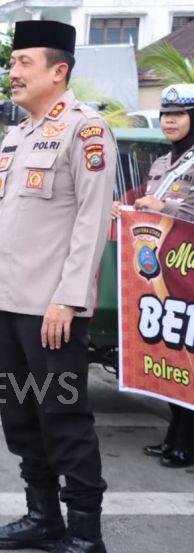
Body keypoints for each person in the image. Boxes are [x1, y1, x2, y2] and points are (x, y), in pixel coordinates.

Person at [0, 20, 114, 553]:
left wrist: (69, 299)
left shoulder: (85, 130)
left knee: (64, 419)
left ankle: (87, 540)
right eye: (12, 61)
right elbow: (3, 224)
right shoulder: (18, 134)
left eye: (24, 62)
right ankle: (45, 518)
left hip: (53, 312)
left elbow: (93, 224)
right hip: (12, 307)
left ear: (59, 70)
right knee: (21, 417)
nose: (13, 72)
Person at [114, 83, 194, 469]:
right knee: (166, 353)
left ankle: (187, 444)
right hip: (160, 275)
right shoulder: (164, 162)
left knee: (187, 353)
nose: (170, 121)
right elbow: (141, 202)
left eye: (178, 114)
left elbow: (171, 209)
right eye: (165, 114)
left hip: (189, 275)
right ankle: (174, 438)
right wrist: (124, 207)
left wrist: (165, 205)